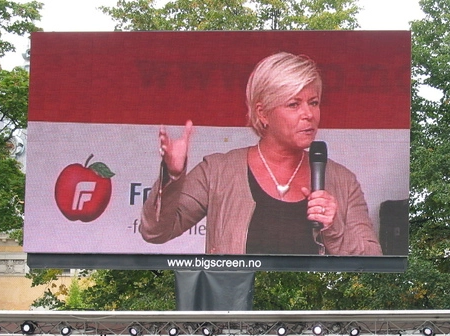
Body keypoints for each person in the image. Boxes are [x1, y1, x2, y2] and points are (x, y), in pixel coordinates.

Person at [140, 51, 382, 256]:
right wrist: (172, 175)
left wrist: (334, 227)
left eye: (314, 102)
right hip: (234, 299)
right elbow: (155, 232)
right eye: (294, 104)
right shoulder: (217, 171)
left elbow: (373, 259)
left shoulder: (343, 181)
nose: (309, 114)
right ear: (263, 113)